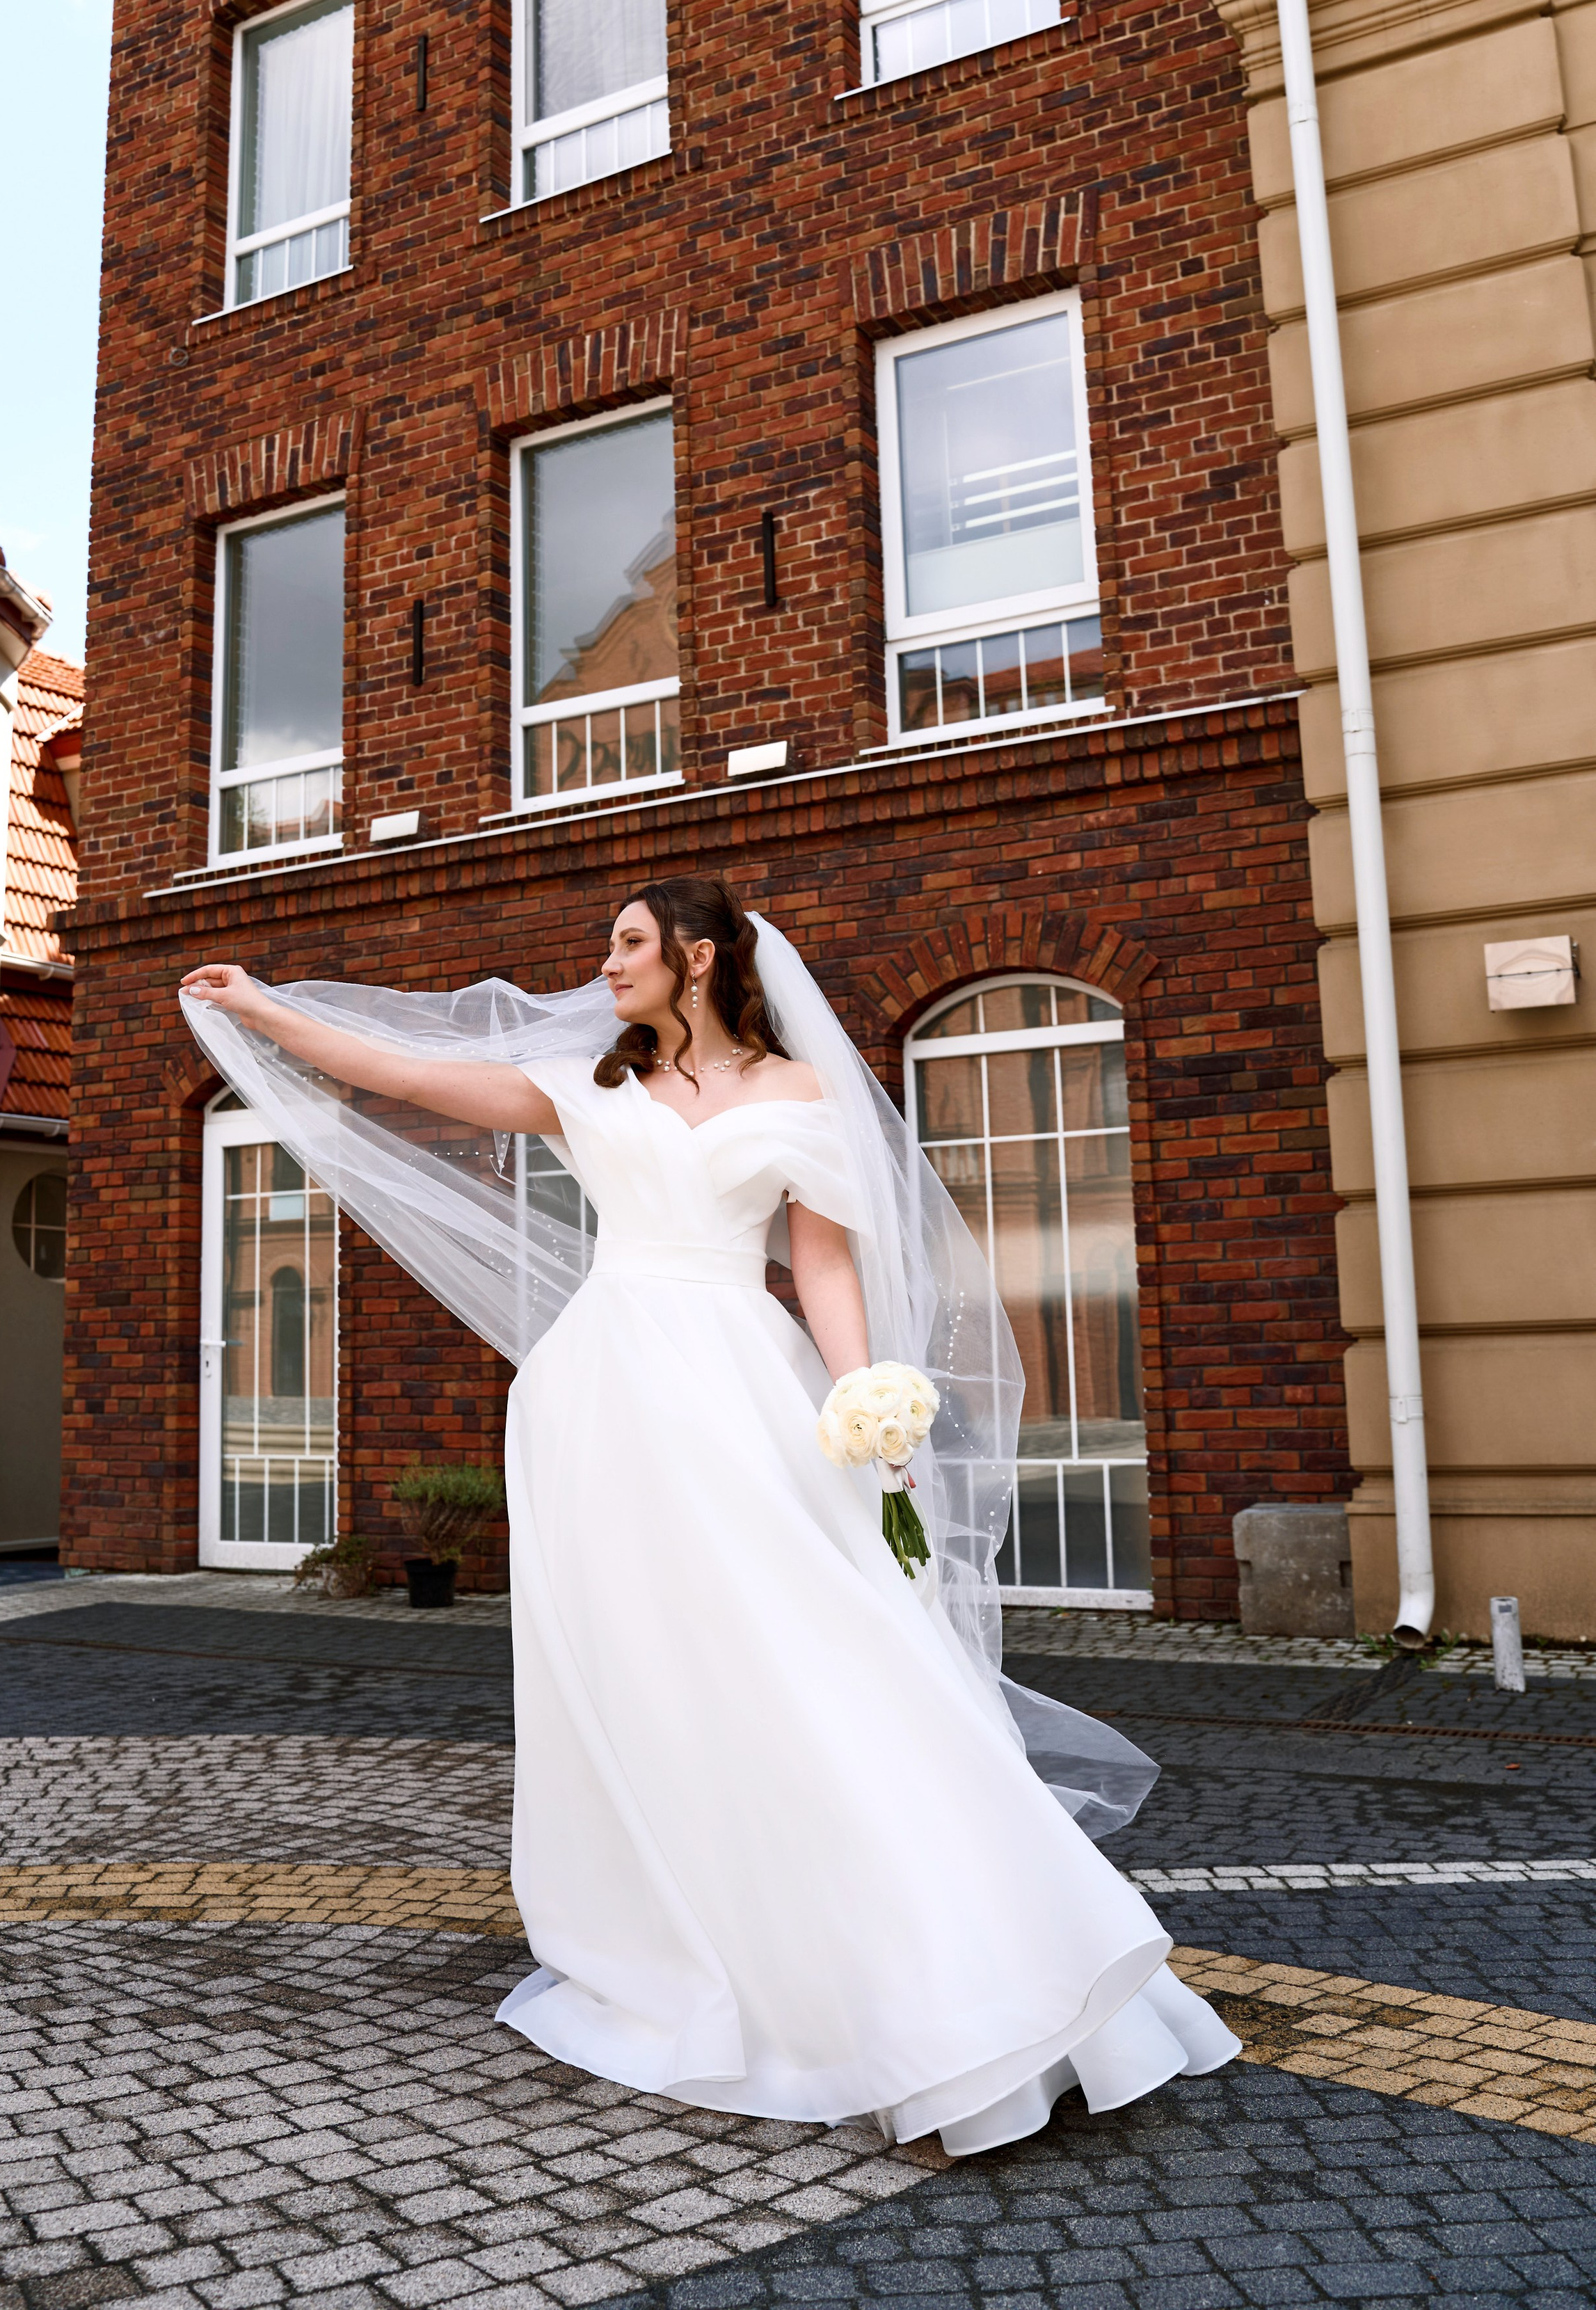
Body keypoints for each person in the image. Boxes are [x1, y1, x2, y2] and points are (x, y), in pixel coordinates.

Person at [180, 875, 1236, 2153]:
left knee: (815, 1653)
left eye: (625, 943)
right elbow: (403, 1071)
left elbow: (828, 1262)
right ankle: (688, 1925)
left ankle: (940, 1953)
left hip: (744, 1385)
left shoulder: (803, 1092)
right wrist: (266, 1011)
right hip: (600, 1401)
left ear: (695, 958)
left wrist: (868, 1407)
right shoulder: (592, 1085)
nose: (603, 964)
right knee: (647, 1672)